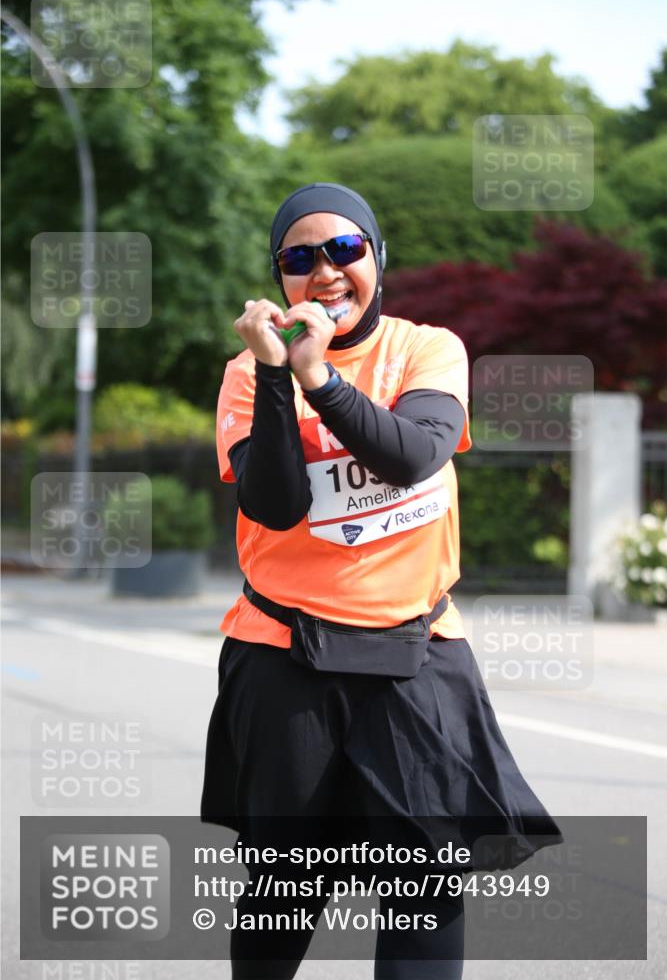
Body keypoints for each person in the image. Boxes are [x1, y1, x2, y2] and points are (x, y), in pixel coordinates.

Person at [201, 183, 562, 980]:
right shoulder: (242, 372)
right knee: (286, 888)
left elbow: (411, 455)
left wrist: (321, 379)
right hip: (283, 652)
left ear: (374, 257)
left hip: (416, 650)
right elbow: (276, 502)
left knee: (423, 886)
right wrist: (275, 376)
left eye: (344, 250)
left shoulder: (425, 349)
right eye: (299, 258)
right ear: (279, 276)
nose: (325, 271)